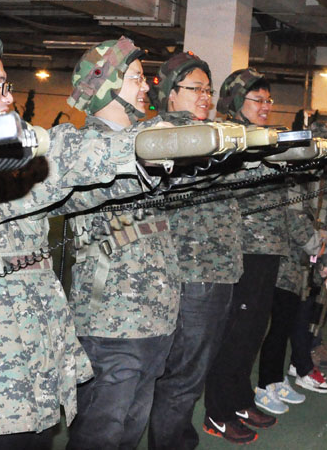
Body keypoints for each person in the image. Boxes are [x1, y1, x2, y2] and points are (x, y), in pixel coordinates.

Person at [0, 27, 155, 450]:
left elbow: (87, 190)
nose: (8, 97)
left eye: (8, 87)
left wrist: (161, 163)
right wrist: (136, 145)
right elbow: (52, 171)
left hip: (32, 368)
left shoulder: (6, 164)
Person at [64, 37, 180, 450]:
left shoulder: (143, 142)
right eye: (136, 78)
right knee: (100, 434)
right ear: (105, 87)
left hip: (153, 317)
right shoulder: (81, 148)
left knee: (130, 431)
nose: (146, 87)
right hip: (111, 321)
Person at [201, 68, 314, 444]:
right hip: (242, 252)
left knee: (252, 334)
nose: (266, 106)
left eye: (269, 100)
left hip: (268, 251)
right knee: (234, 335)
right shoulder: (227, 139)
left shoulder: (266, 141)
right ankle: (218, 412)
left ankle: (240, 400)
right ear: (236, 101)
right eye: (258, 100)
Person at [146, 53, 239, 450]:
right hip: (193, 273)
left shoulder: (208, 135)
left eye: (208, 90)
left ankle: (177, 438)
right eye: (195, 89)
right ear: (170, 93)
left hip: (215, 271)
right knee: (183, 376)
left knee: (190, 372)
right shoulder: (169, 137)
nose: (205, 96)